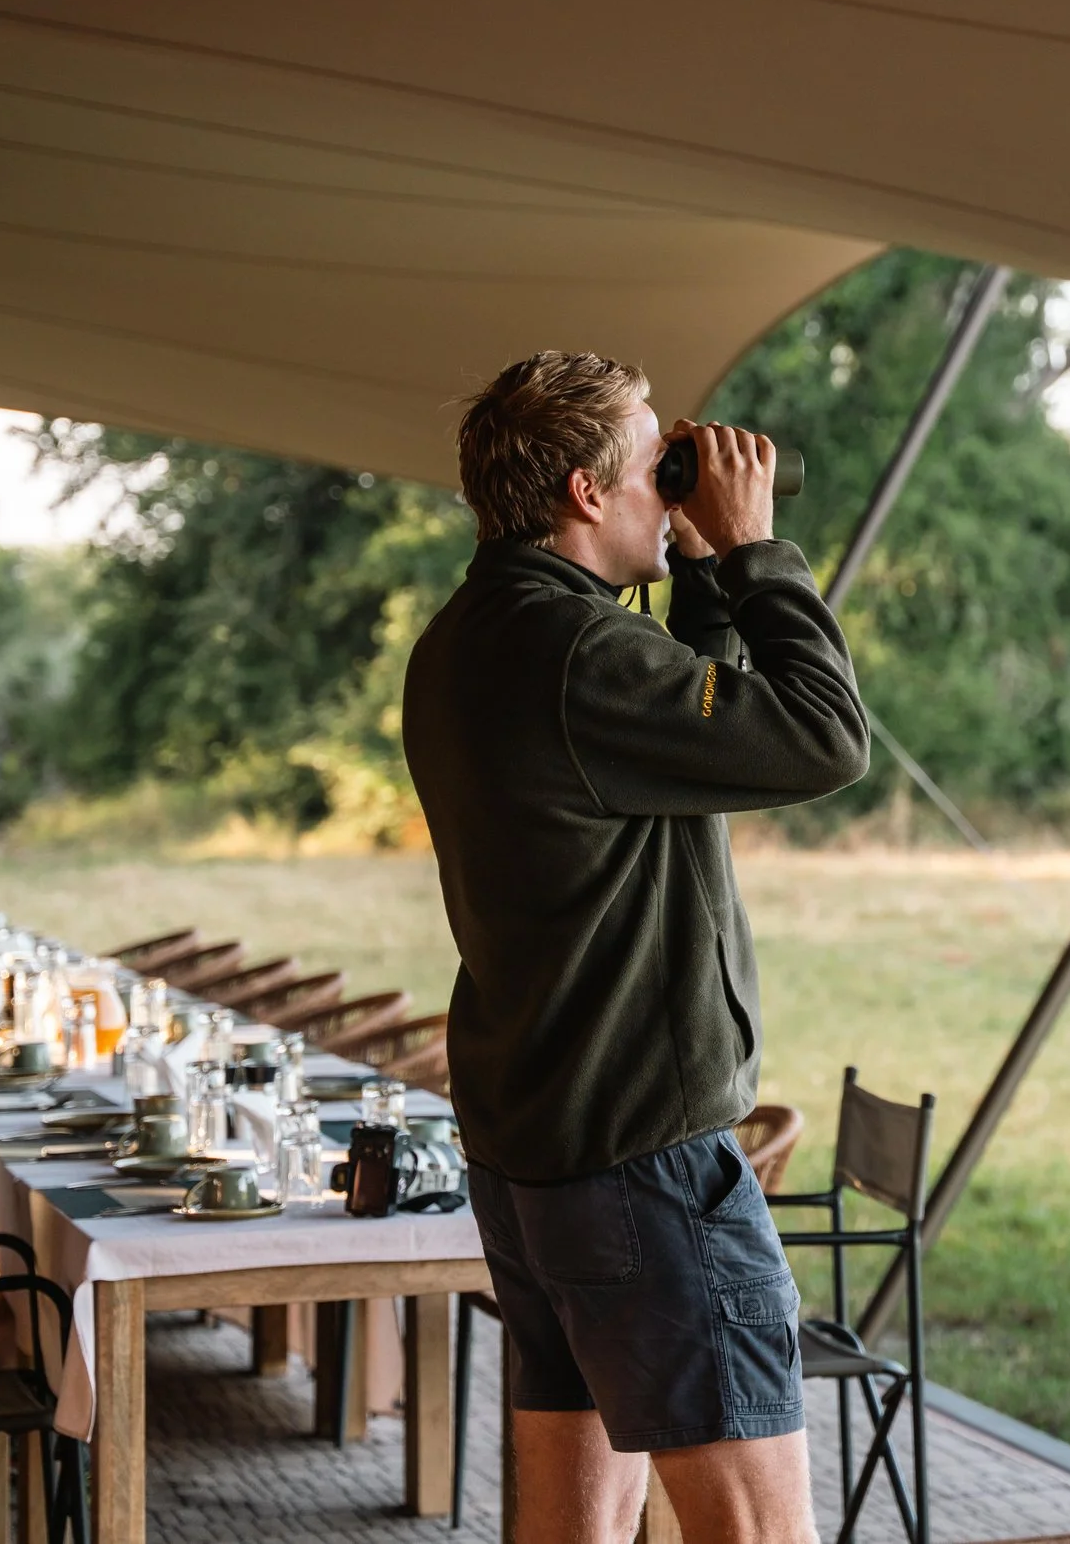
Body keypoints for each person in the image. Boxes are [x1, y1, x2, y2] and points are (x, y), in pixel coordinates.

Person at [403, 353, 868, 1544]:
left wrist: (699, 577)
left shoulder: (471, 637)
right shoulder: (574, 654)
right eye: (659, 466)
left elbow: (694, 715)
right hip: (644, 1162)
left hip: (538, 1158)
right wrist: (758, 551)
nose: (679, 488)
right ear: (582, 490)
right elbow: (821, 739)